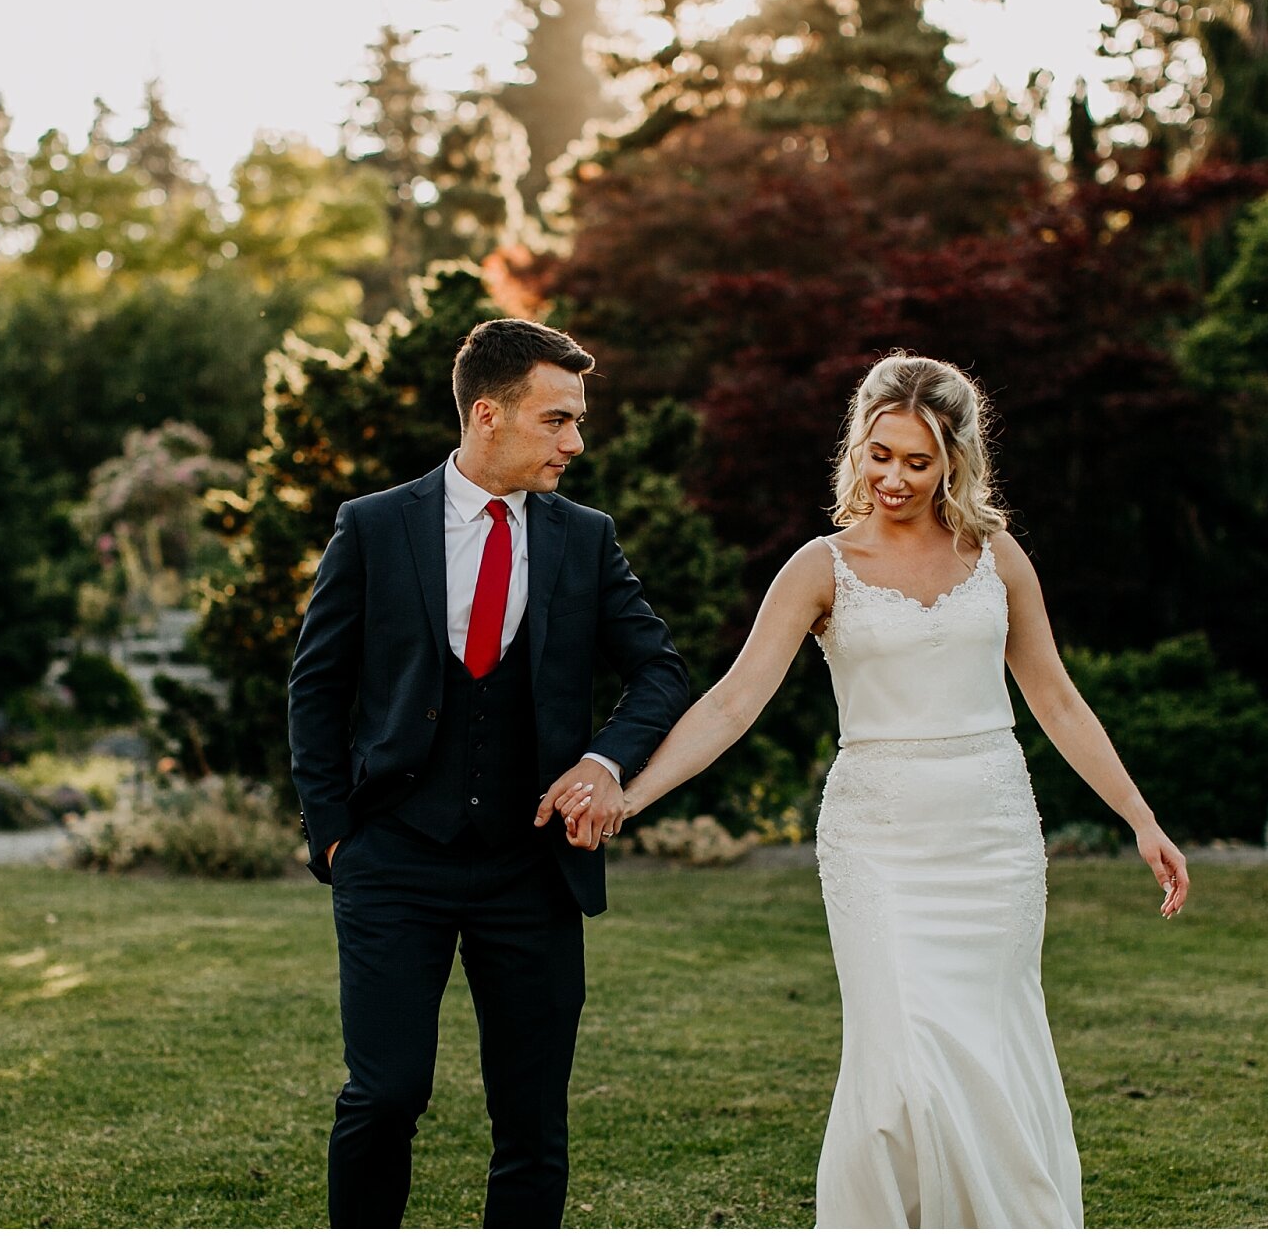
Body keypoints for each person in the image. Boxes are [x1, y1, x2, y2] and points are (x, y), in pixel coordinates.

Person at [543, 352, 1190, 1227]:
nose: (893, 478)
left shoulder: (996, 557)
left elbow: (1058, 700)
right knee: (903, 1068)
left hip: (991, 835)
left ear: (955, 461)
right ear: (859, 448)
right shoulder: (822, 566)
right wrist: (632, 791)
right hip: (878, 841)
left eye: (917, 462)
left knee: (993, 1052)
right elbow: (734, 701)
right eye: (879, 455)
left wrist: (1142, 818)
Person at [287, 317, 690, 1228]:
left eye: (576, 421)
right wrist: (335, 835)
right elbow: (316, 687)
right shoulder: (376, 525)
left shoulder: (584, 539)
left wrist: (601, 761)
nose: (575, 443)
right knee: (384, 1095)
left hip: (531, 867)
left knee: (532, 1120)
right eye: (557, 421)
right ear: (487, 415)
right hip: (393, 856)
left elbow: (659, 669)